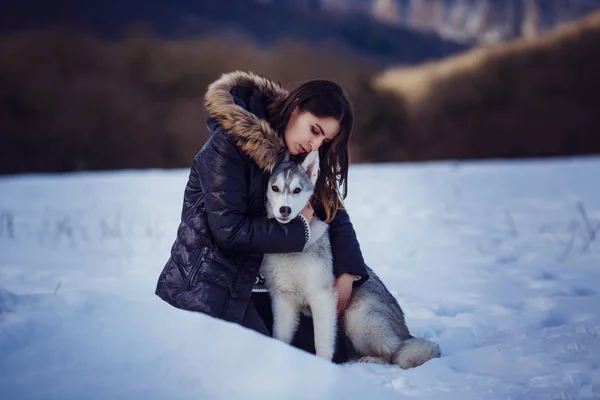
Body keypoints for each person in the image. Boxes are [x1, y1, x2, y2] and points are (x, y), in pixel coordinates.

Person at [155, 70, 369, 363]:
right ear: (296, 108)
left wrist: (347, 271)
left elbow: (333, 211)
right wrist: (300, 230)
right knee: (268, 364)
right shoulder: (227, 147)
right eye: (315, 130)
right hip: (211, 284)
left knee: (334, 353)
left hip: (261, 283)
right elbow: (228, 230)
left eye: (325, 140)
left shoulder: (297, 154)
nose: (316, 144)